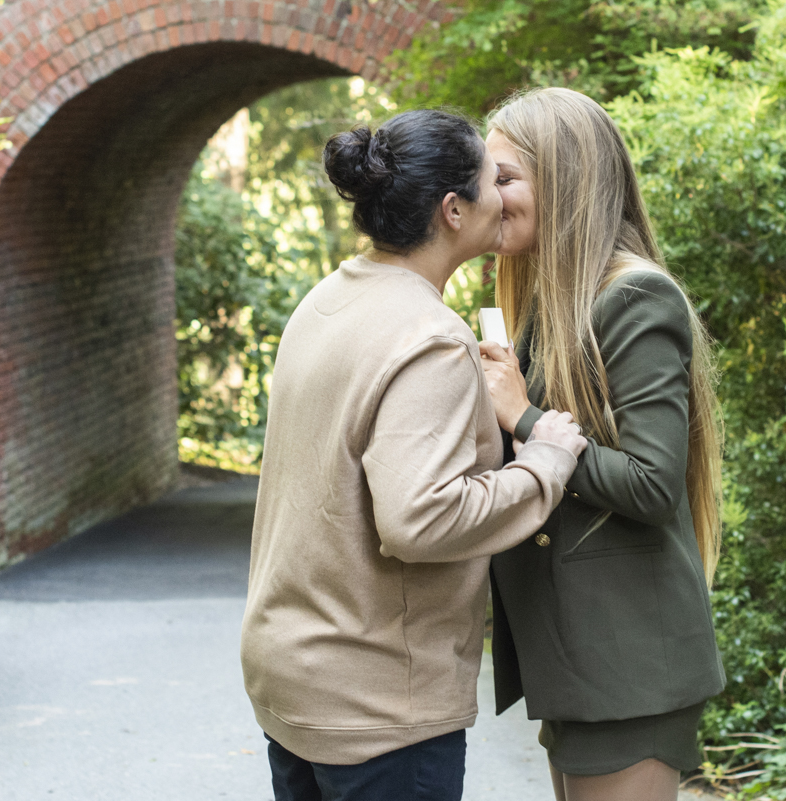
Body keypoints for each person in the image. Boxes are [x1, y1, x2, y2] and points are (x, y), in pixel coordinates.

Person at [240, 108, 589, 801]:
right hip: (378, 705)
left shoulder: (327, 300)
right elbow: (419, 518)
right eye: (494, 182)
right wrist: (543, 464)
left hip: (294, 674)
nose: (505, 198)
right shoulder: (428, 337)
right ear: (454, 210)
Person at [478, 88, 727, 801]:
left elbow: (653, 483)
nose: (488, 197)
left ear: (566, 180)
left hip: (632, 660)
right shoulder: (547, 312)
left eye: (505, 177)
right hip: (579, 654)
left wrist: (523, 418)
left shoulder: (633, 297)